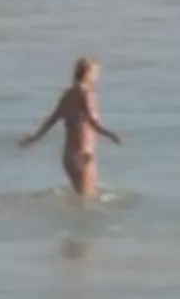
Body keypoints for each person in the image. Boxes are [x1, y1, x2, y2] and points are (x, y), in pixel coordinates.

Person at [20, 57, 123, 198]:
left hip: (70, 155)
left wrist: (34, 138)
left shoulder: (68, 94)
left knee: (86, 196)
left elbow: (53, 119)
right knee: (88, 199)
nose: (98, 77)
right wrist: (111, 135)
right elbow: (92, 121)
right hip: (84, 154)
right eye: (96, 73)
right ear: (88, 73)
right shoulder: (86, 93)